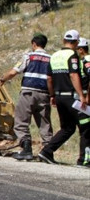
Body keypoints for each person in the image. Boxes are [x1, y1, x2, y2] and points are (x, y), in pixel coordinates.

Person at [0, 33, 52, 161]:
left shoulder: (29, 56)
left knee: (21, 121)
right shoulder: (51, 58)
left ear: (34, 44)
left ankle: (26, 149)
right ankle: (48, 151)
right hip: (44, 94)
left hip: (28, 93)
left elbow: (13, 72)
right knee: (45, 124)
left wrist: (2, 80)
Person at [37, 30, 87, 164]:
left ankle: (46, 152)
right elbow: (73, 75)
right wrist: (81, 95)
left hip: (59, 97)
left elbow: (49, 78)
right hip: (72, 97)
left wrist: (52, 95)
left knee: (68, 128)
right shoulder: (72, 55)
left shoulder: (54, 56)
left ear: (64, 40)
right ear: (76, 43)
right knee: (86, 126)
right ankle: (84, 160)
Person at [76, 37, 90, 166]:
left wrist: (86, 98)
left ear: (81, 49)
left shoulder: (87, 61)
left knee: (85, 129)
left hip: (87, 101)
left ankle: (84, 160)